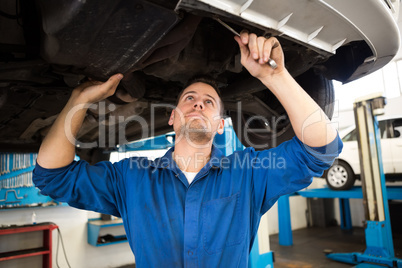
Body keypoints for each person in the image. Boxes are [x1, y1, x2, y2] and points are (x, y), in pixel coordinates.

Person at [33, 31, 342, 267]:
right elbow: (51, 176)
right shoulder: (131, 177)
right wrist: (78, 100)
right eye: (189, 99)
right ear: (172, 117)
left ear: (221, 124)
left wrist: (275, 76)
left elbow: (322, 149)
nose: (198, 103)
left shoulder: (249, 173)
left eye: (209, 103)